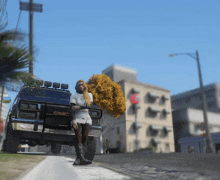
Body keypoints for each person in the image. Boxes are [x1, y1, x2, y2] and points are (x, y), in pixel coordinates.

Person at [70, 80, 93, 165]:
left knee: (84, 138)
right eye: (79, 85)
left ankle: (79, 158)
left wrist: (77, 107)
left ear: (85, 86)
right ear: (76, 86)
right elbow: (72, 109)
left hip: (87, 118)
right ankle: (80, 158)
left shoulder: (89, 95)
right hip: (77, 119)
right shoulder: (73, 95)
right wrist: (73, 120)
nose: (81, 86)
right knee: (78, 138)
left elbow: (88, 106)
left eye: (82, 85)